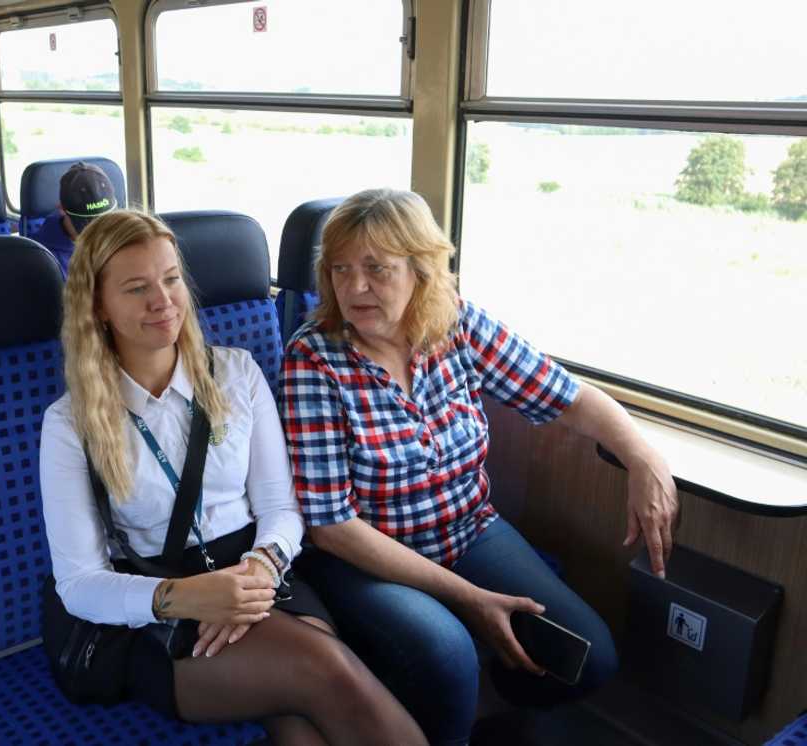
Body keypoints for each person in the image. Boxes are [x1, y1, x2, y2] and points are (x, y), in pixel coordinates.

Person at [279, 189, 680, 746]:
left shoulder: (457, 326)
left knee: (591, 658)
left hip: (469, 530)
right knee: (447, 654)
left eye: (376, 268)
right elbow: (330, 525)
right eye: (340, 270)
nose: (354, 287)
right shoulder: (314, 358)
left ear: (422, 269)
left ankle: (488, 702)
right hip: (365, 557)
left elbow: (567, 396)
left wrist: (642, 456)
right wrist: (467, 598)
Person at [39, 209, 428, 746]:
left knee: (305, 714)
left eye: (171, 278)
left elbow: (280, 509)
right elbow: (79, 583)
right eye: (136, 288)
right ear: (98, 307)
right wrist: (186, 598)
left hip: (256, 570)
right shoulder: (69, 423)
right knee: (324, 671)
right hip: (151, 601)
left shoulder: (237, 373)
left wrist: (258, 573)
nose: (164, 301)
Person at [28, 161, 117, 275]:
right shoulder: (42, 258)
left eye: (105, 221)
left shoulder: (122, 239)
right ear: (62, 209)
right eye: (89, 225)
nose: (99, 233)